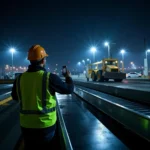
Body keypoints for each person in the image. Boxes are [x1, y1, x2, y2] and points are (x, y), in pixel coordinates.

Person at [11, 44, 74, 149]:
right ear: (43, 60)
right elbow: (69, 90)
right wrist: (68, 78)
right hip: (45, 126)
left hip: (26, 126)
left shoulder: (19, 79)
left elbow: (15, 97)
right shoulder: (49, 77)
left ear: (30, 60)